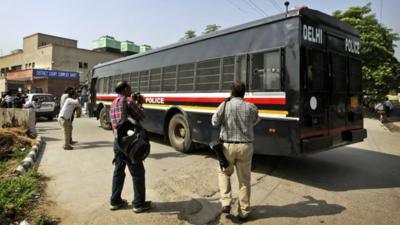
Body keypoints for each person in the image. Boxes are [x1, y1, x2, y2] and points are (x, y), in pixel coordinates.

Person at [211, 81, 259, 221]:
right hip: (245, 147)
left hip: (227, 147)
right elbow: (255, 121)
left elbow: (214, 122)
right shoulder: (251, 107)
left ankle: (226, 202)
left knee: (224, 172)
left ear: (231, 92)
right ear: (244, 93)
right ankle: (244, 212)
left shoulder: (224, 105)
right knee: (244, 180)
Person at [109, 81, 151, 213]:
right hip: (130, 143)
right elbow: (142, 116)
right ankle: (138, 204)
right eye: (129, 89)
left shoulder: (113, 103)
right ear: (125, 89)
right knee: (138, 172)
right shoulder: (128, 101)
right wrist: (140, 104)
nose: (131, 91)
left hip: (117, 142)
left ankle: (115, 201)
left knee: (118, 170)